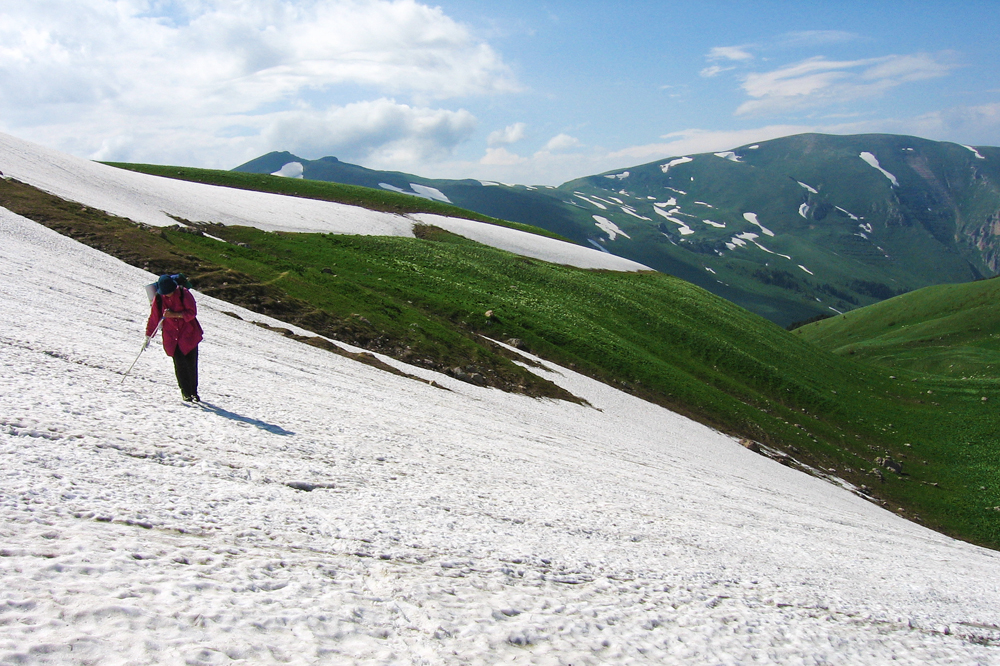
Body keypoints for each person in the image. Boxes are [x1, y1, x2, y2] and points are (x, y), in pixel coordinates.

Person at [146, 274, 204, 402]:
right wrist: (148, 335)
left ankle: (194, 392)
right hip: (172, 337)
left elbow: (192, 313)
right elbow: (154, 318)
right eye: (165, 293)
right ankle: (186, 392)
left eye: (170, 292)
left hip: (189, 335)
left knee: (191, 364)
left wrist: (174, 315)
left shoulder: (184, 294)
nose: (168, 295)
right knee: (180, 364)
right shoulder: (159, 298)